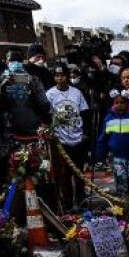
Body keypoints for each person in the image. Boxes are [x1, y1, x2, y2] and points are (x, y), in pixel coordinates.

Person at [46, 63, 90, 210]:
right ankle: (67, 204)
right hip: (61, 141)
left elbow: (85, 114)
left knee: (79, 174)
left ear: (67, 76)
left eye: (62, 75)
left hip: (77, 139)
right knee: (64, 175)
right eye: (57, 75)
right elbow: (47, 116)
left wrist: (85, 134)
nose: (60, 78)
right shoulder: (49, 94)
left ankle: (81, 201)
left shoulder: (77, 93)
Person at [0, 49, 52, 138]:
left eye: (18, 60)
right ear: (6, 62)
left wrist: (32, 89)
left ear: (23, 62)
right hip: (11, 133)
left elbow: (45, 107)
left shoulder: (34, 80)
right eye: (12, 60)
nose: (15, 63)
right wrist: (2, 88)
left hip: (33, 130)